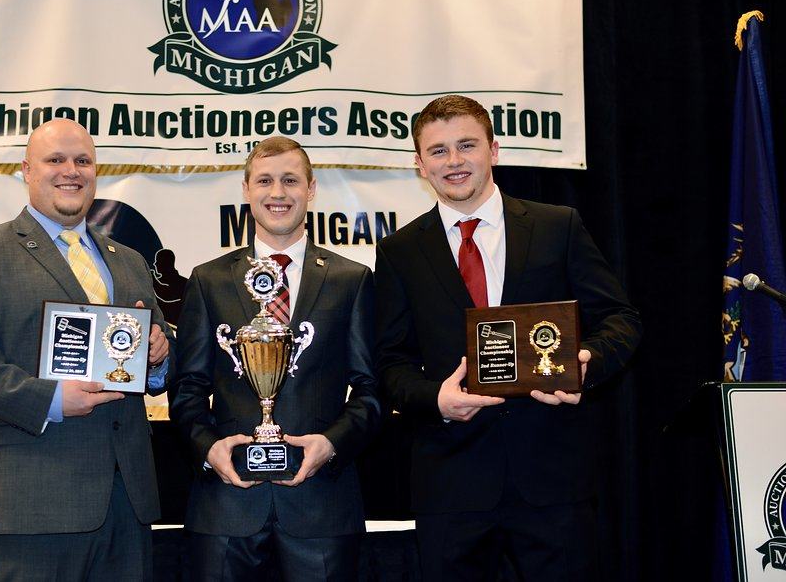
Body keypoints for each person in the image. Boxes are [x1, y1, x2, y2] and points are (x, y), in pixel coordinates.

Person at [375, 95, 642, 580]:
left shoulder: (556, 226)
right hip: (450, 484)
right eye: (438, 151)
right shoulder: (399, 251)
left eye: (467, 145)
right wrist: (435, 398)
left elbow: (621, 320)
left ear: (493, 150)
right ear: (419, 164)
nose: (454, 161)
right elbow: (389, 361)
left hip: (552, 480)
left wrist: (585, 363)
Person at [0, 118, 172, 581]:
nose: (71, 171)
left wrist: (159, 360)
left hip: (127, 502)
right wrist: (51, 400)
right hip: (32, 500)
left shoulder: (129, 260)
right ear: (26, 170)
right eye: (56, 159)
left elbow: (155, 358)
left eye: (83, 160)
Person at [170, 136, 379, 581]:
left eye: (290, 180)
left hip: (321, 506)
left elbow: (369, 390)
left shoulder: (351, 280)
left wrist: (332, 444)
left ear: (312, 188)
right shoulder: (209, 280)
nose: (277, 193)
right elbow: (187, 388)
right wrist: (209, 449)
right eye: (264, 181)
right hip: (227, 504)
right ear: (246, 190)